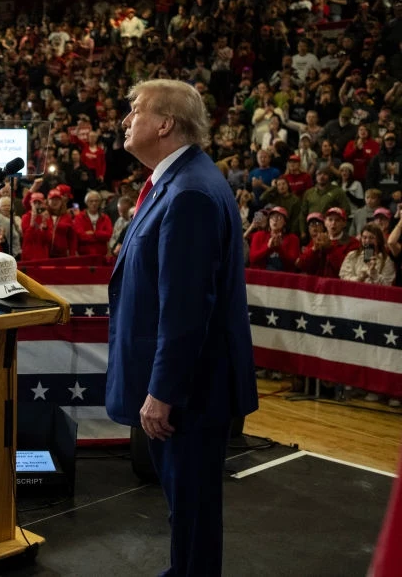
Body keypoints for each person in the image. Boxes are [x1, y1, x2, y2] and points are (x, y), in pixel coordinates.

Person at [107, 79, 258, 577]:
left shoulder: (189, 192)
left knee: (192, 512)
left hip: (189, 394)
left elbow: (186, 309)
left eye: (134, 110)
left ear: (165, 124)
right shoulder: (180, 181)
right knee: (187, 512)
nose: (126, 120)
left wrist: (162, 391)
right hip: (189, 387)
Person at [248, 206, 300, 272]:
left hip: (284, 278)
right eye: (272, 217)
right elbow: (252, 259)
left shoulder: (293, 238)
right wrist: (268, 247)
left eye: (279, 217)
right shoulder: (259, 235)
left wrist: (279, 249)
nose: (275, 220)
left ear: (285, 222)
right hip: (261, 276)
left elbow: (293, 263)